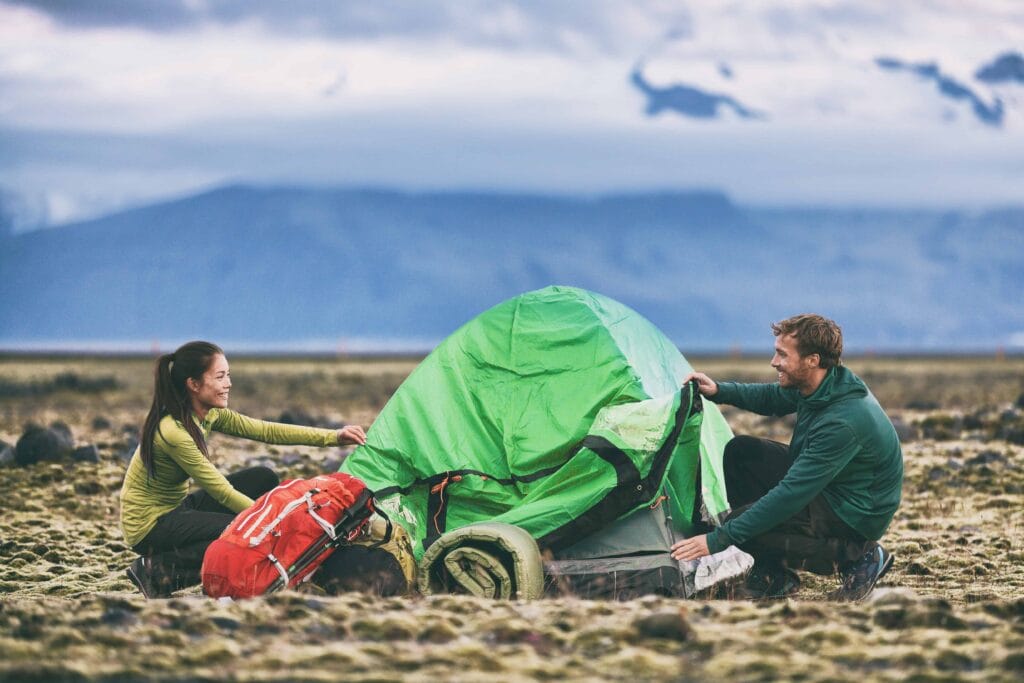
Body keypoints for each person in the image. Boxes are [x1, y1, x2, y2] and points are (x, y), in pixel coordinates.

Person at [670, 314, 903, 601]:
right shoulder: (821, 385)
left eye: (782, 354)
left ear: (812, 360)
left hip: (855, 511)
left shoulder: (843, 421)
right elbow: (773, 398)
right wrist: (719, 391)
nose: (774, 362)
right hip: (834, 486)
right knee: (741, 453)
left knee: (747, 525)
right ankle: (774, 576)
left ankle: (858, 556)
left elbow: (790, 495)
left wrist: (719, 539)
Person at [120, 340, 367, 598]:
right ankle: (156, 573)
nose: (228, 383)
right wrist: (268, 526)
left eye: (228, 375)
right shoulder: (173, 432)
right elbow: (221, 491)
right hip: (149, 526)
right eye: (220, 376)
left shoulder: (208, 414)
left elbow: (266, 430)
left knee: (264, 477)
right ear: (194, 385)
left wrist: (334, 436)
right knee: (233, 531)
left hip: (176, 510)